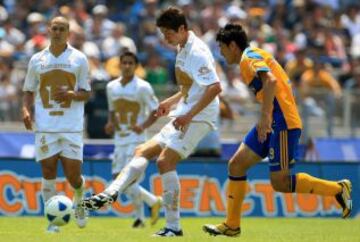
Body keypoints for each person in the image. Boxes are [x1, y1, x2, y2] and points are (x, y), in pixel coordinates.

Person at [81, 7, 222, 237]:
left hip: (199, 116)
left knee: (165, 161)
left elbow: (215, 87)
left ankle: (173, 227)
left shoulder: (197, 51)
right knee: (142, 150)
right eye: (163, 33)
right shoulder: (182, 47)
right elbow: (190, 87)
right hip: (185, 111)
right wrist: (173, 100)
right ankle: (111, 193)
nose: (165, 38)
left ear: (182, 29)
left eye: (168, 33)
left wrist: (188, 115)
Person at [202, 23, 352, 237]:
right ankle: (232, 225)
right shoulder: (254, 54)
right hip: (273, 120)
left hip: (282, 123)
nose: (221, 53)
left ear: (232, 46)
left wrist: (264, 116)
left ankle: (338, 189)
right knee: (236, 165)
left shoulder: (248, 58)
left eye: (222, 48)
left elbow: (270, 81)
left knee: (280, 183)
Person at [22, 16, 91, 233]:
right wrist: (26, 110)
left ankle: (80, 197)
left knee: (73, 177)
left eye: (62, 28)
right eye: (55, 28)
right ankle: (52, 222)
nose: (58, 32)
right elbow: (28, 90)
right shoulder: (37, 60)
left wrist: (72, 94)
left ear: (68, 32)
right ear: (49, 30)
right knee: (48, 171)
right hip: (45, 126)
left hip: (71, 126)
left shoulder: (79, 59)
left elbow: (87, 93)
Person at [104, 51, 162, 228]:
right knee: (120, 179)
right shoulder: (111, 87)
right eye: (124, 63)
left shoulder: (143, 87)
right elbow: (112, 110)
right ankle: (150, 205)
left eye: (131, 63)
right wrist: (110, 123)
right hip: (119, 138)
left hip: (136, 139)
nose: (127, 66)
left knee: (126, 179)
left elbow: (156, 110)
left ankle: (140, 217)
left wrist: (143, 126)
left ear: (136, 67)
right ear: (119, 65)